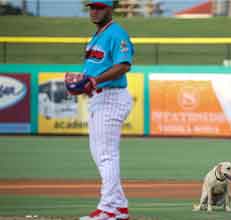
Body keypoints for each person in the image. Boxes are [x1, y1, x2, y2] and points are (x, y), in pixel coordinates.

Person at [80, 0, 134, 220]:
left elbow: (123, 65)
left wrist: (95, 80)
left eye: (99, 7)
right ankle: (119, 206)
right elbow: (94, 68)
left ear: (110, 9)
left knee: (106, 155)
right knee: (99, 154)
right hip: (99, 97)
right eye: (92, 7)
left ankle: (108, 209)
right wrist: (83, 83)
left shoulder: (117, 34)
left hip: (111, 96)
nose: (94, 11)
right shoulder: (96, 36)